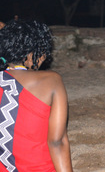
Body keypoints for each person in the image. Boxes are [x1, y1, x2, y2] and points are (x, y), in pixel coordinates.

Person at [0, 20, 73, 171]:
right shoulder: (51, 81)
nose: (44, 57)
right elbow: (57, 142)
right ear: (29, 54)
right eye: (42, 52)